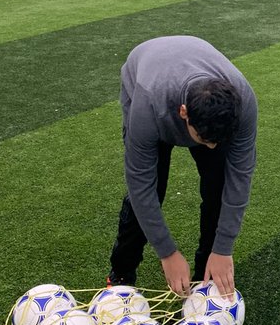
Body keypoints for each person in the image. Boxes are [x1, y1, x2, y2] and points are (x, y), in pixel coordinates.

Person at [108, 36, 257, 298]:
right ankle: (121, 273)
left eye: (217, 141)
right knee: (154, 188)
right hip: (148, 79)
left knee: (219, 185)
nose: (212, 146)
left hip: (188, 71)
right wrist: (168, 253)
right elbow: (140, 185)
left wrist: (223, 249)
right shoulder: (148, 107)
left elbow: (239, 178)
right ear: (184, 113)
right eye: (204, 140)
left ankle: (206, 275)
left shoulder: (244, 103)